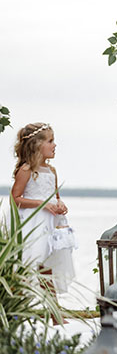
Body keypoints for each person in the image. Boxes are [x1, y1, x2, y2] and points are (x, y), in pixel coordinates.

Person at [11, 123, 77, 300]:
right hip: (35, 223)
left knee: (49, 265)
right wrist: (42, 204)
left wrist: (60, 204)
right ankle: (18, 304)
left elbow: (55, 194)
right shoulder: (26, 170)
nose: (54, 145)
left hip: (52, 222)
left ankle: (54, 310)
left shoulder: (51, 170)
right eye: (50, 141)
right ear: (37, 144)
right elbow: (15, 199)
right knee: (35, 263)